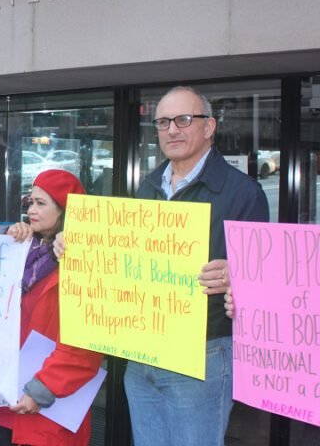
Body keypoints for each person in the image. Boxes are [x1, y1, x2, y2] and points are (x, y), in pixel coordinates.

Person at [123, 86, 269, 446]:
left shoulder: (244, 193)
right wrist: (77, 246)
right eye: (162, 122)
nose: (172, 130)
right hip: (142, 354)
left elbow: (265, 280)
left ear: (209, 127)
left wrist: (239, 276)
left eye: (184, 120)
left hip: (203, 354)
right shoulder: (146, 188)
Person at [0, 170, 103, 446]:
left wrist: (43, 388)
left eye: (41, 203)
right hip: (11, 396)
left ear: (65, 210)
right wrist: (4, 235)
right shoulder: (22, 246)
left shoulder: (85, 259)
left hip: (50, 402)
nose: (31, 210)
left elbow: (85, 343)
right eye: (30, 202)